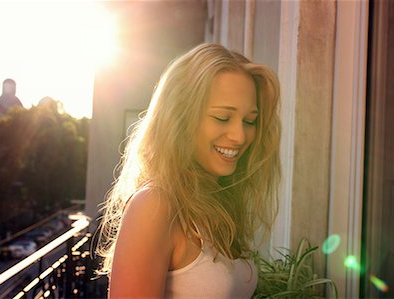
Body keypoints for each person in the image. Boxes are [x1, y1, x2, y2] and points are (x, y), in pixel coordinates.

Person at [96, 43, 281, 298]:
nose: (240, 136)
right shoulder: (155, 205)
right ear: (180, 118)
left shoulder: (218, 203)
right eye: (222, 118)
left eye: (250, 121)